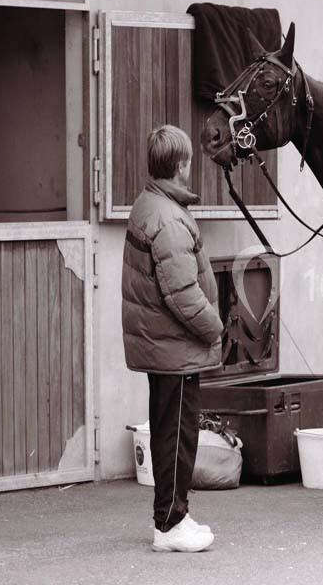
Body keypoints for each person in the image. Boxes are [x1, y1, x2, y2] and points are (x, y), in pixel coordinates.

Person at [121, 125, 223, 552]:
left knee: (169, 433)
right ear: (180, 165)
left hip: (163, 344)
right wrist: (216, 328)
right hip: (175, 347)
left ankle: (173, 514)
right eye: (189, 161)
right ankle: (170, 523)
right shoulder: (168, 218)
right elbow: (182, 294)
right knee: (177, 438)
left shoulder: (152, 204)